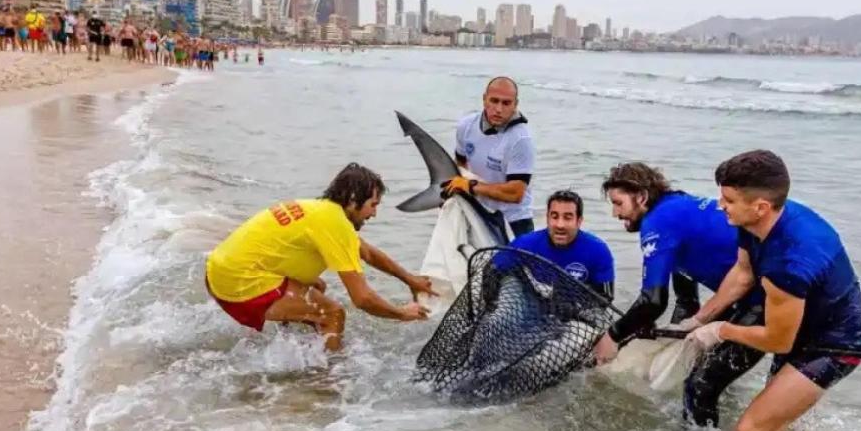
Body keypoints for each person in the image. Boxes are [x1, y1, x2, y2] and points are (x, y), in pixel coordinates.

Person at [685, 150, 861, 431]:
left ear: (761, 207)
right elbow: (743, 275)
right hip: (796, 327)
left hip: (834, 344)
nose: (720, 205)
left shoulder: (789, 264)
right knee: (775, 427)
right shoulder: (755, 221)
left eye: (728, 199)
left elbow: (777, 340)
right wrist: (700, 319)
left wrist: (722, 330)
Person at [591, 162, 766, 428]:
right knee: (709, 371)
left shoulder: (658, 222)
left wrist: (612, 337)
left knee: (699, 387)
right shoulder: (676, 208)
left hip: (768, 301)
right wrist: (665, 335)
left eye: (618, 203)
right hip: (748, 296)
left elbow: (653, 301)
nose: (615, 213)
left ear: (641, 197)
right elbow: (686, 301)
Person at [205, 163, 437, 350]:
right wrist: (402, 313)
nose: (374, 214)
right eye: (372, 205)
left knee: (317, 286)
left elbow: (366, 253)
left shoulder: (321, 211)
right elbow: (363, 299)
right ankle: (326, 379)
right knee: (333, 314)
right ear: (354, 199)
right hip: (237, 282)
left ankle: (295, 346)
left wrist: (410, 279)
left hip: (220, 269)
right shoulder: (335, 225)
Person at [444, 76, 536, 237]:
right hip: (479, 211)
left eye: (506, 103)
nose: (499, 109)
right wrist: (455, 190)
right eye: (494, 101)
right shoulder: (465, 126)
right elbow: (460, 163)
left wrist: (471, 187)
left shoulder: (521, 139)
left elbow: (516, 193)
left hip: (515, 219)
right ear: (484, 99)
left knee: (524, 263)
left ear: (515, 104)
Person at [510, 190, 615, 299]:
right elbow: (494, 272)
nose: (560, 225)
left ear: (579, 221)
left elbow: (605, 298)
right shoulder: (524, 245)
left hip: (577, 312)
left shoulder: (598, 251)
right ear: (547, 218)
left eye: (567, 218)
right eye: (554, 217)